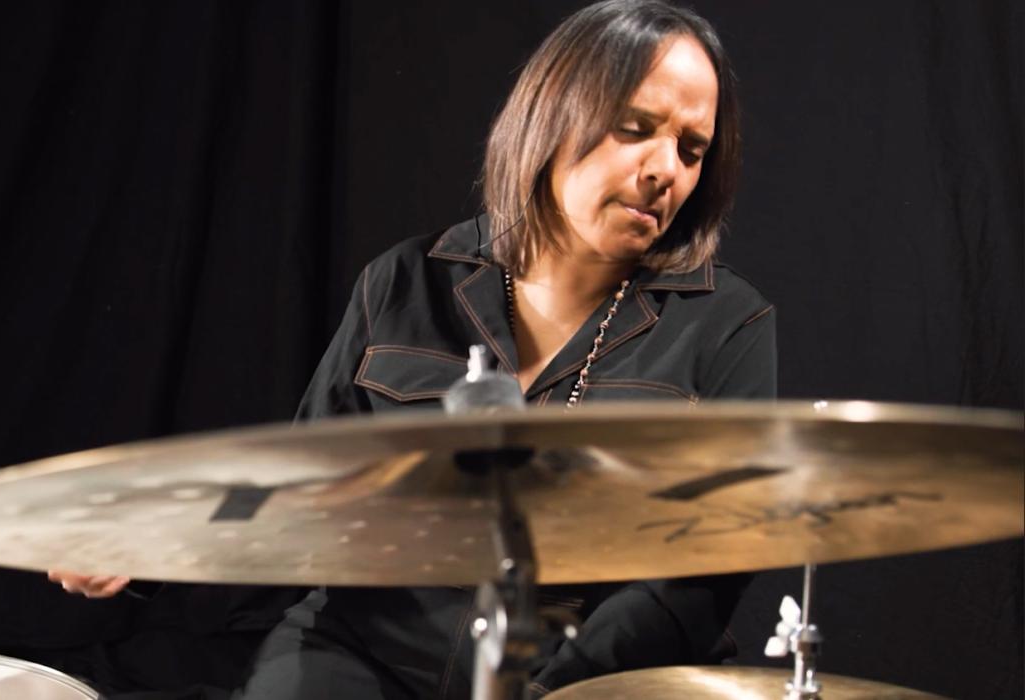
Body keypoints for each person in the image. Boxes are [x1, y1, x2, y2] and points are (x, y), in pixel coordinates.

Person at [57, 0, 775, 696]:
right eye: (634, 128)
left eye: (691, 149)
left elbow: (697, 578)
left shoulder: (727, 325)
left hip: (580, 666)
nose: (665, 170)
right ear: (554, 115)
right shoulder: (405, 281)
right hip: (366, 646)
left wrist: (553, 686)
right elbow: (302, 480)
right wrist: (154, 537)